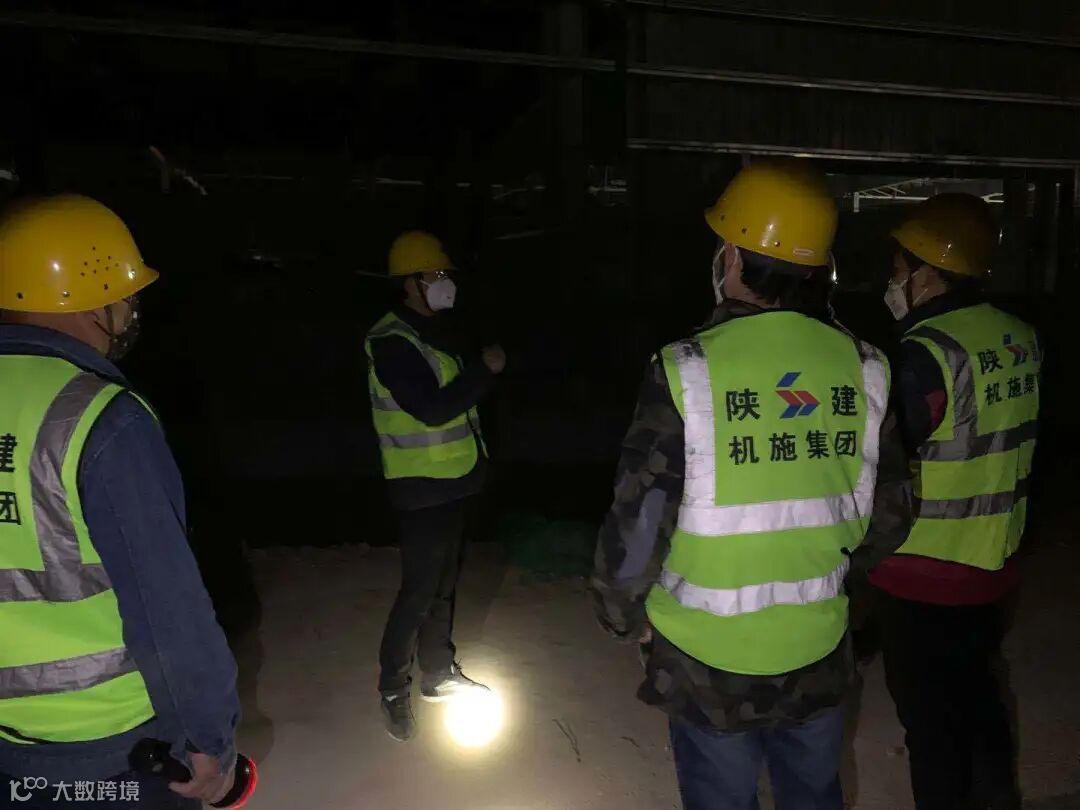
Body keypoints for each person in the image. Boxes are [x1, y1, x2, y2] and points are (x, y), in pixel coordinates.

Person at [591, 160, 914, 810]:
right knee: (813, 794)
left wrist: (622, 615)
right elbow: (892, 516)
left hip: (705, 660)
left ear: (732, 258)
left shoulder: (686, 369)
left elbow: (641, 523)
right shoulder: (866, 368)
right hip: (818, 647)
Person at [0, 195, 240, 809]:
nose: (131, 311)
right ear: (92, 299)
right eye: (125, 296)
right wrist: (208, 737)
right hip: (112, 746)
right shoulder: (100, 419)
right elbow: (167, 605)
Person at [870, 193, 1037, 810]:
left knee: (933, 730)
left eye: (899, 267)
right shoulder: (1019, 337)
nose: (894, 280)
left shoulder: (927, 353)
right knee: (980, 703)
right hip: (993, 563)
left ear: (929, 271)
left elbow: (885, 458)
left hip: (924, 572)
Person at [365, 230, 504, 742]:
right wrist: (484, 371)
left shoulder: (433, 331)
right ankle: (392, 688)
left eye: (446, 274)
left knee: (442, 584)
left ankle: (438, 674)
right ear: (411, 282)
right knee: (419, 590)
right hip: (419, 486)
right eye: (436, 274)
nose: (447, 282)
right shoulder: (391, 340)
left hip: (453, 480)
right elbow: (430, 408)